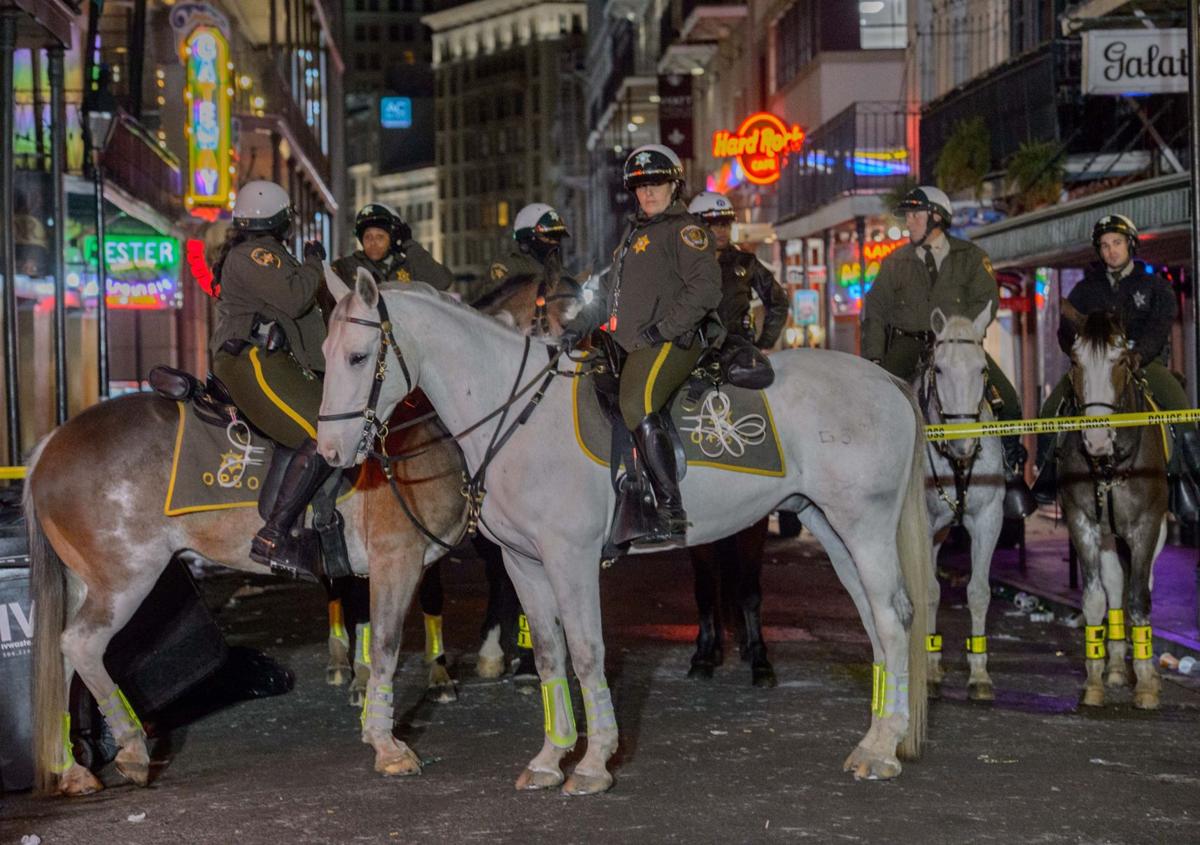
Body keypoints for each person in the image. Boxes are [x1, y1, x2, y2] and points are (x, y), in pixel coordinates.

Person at [561, 144, 722, 542]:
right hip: (628, 343)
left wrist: (661, 329)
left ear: (674, 186)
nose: (648, 193)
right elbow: (605, 297)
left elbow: (706, 288)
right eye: (640, 186)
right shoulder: (633, 236)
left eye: (656, 184)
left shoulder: (685, 231)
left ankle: (670, 506)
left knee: (637, 402)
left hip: (674, 339)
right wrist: (571, 328)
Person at [861, 185, 1036, 519]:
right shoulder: (894, 262)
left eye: (916, 214)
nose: (909, 221)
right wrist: (874, 358)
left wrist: (961, 336)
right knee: (876, 404)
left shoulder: (971, 257)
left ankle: (1011, 471)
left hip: (958, 347)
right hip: (907, 345)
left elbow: (986, 299)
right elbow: (875, 309)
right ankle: (875, 482)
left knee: (1009, 401)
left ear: (937, 218)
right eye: (908, 215)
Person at [209, 180, 345, 580]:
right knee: (325, 434)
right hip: (251, 358)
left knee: (324, 425)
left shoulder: (267, 253)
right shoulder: (254, 255)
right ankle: (274, 536)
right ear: (281, 218)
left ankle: (303, 523)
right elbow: (295, 298)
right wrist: (314, 263)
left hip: (278, 360)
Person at [1033, 213, 1200, 517]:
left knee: (1179, 405)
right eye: (1105, 245)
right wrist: (1080, 355)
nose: (1111, 250)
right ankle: (1047, 478)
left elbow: (1160, 327)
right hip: (1094, 367)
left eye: (1117, 243)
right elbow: (1065, 331)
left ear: (1130, 245)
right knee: (1049, 410)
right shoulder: (1084, 290)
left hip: (1142, 363)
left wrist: (1139, 355)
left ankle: (1185, 482)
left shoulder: (1154, 286)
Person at [686, 191, 788, 350]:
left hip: (736, 351)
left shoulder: (746, 262)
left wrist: (763, 344)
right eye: (715, 224)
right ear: (696, 226)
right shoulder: (681, 262)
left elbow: (778, 301)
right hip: (690, 352)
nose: (722, 230)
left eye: (726, 224)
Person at [477, 203, 582, 333]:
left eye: (557, 237)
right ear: (528, 239)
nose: (555, 243)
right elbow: (495, 308)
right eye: (549, 237)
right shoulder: (507, 265)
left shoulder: (562, 273)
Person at [332, 203, 454, 289]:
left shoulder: (409, 267)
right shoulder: (345, 267)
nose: (373, 242)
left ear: (393, 238)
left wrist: (409, 245)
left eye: (380, 237)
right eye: (368, 237)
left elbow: (442, 282)